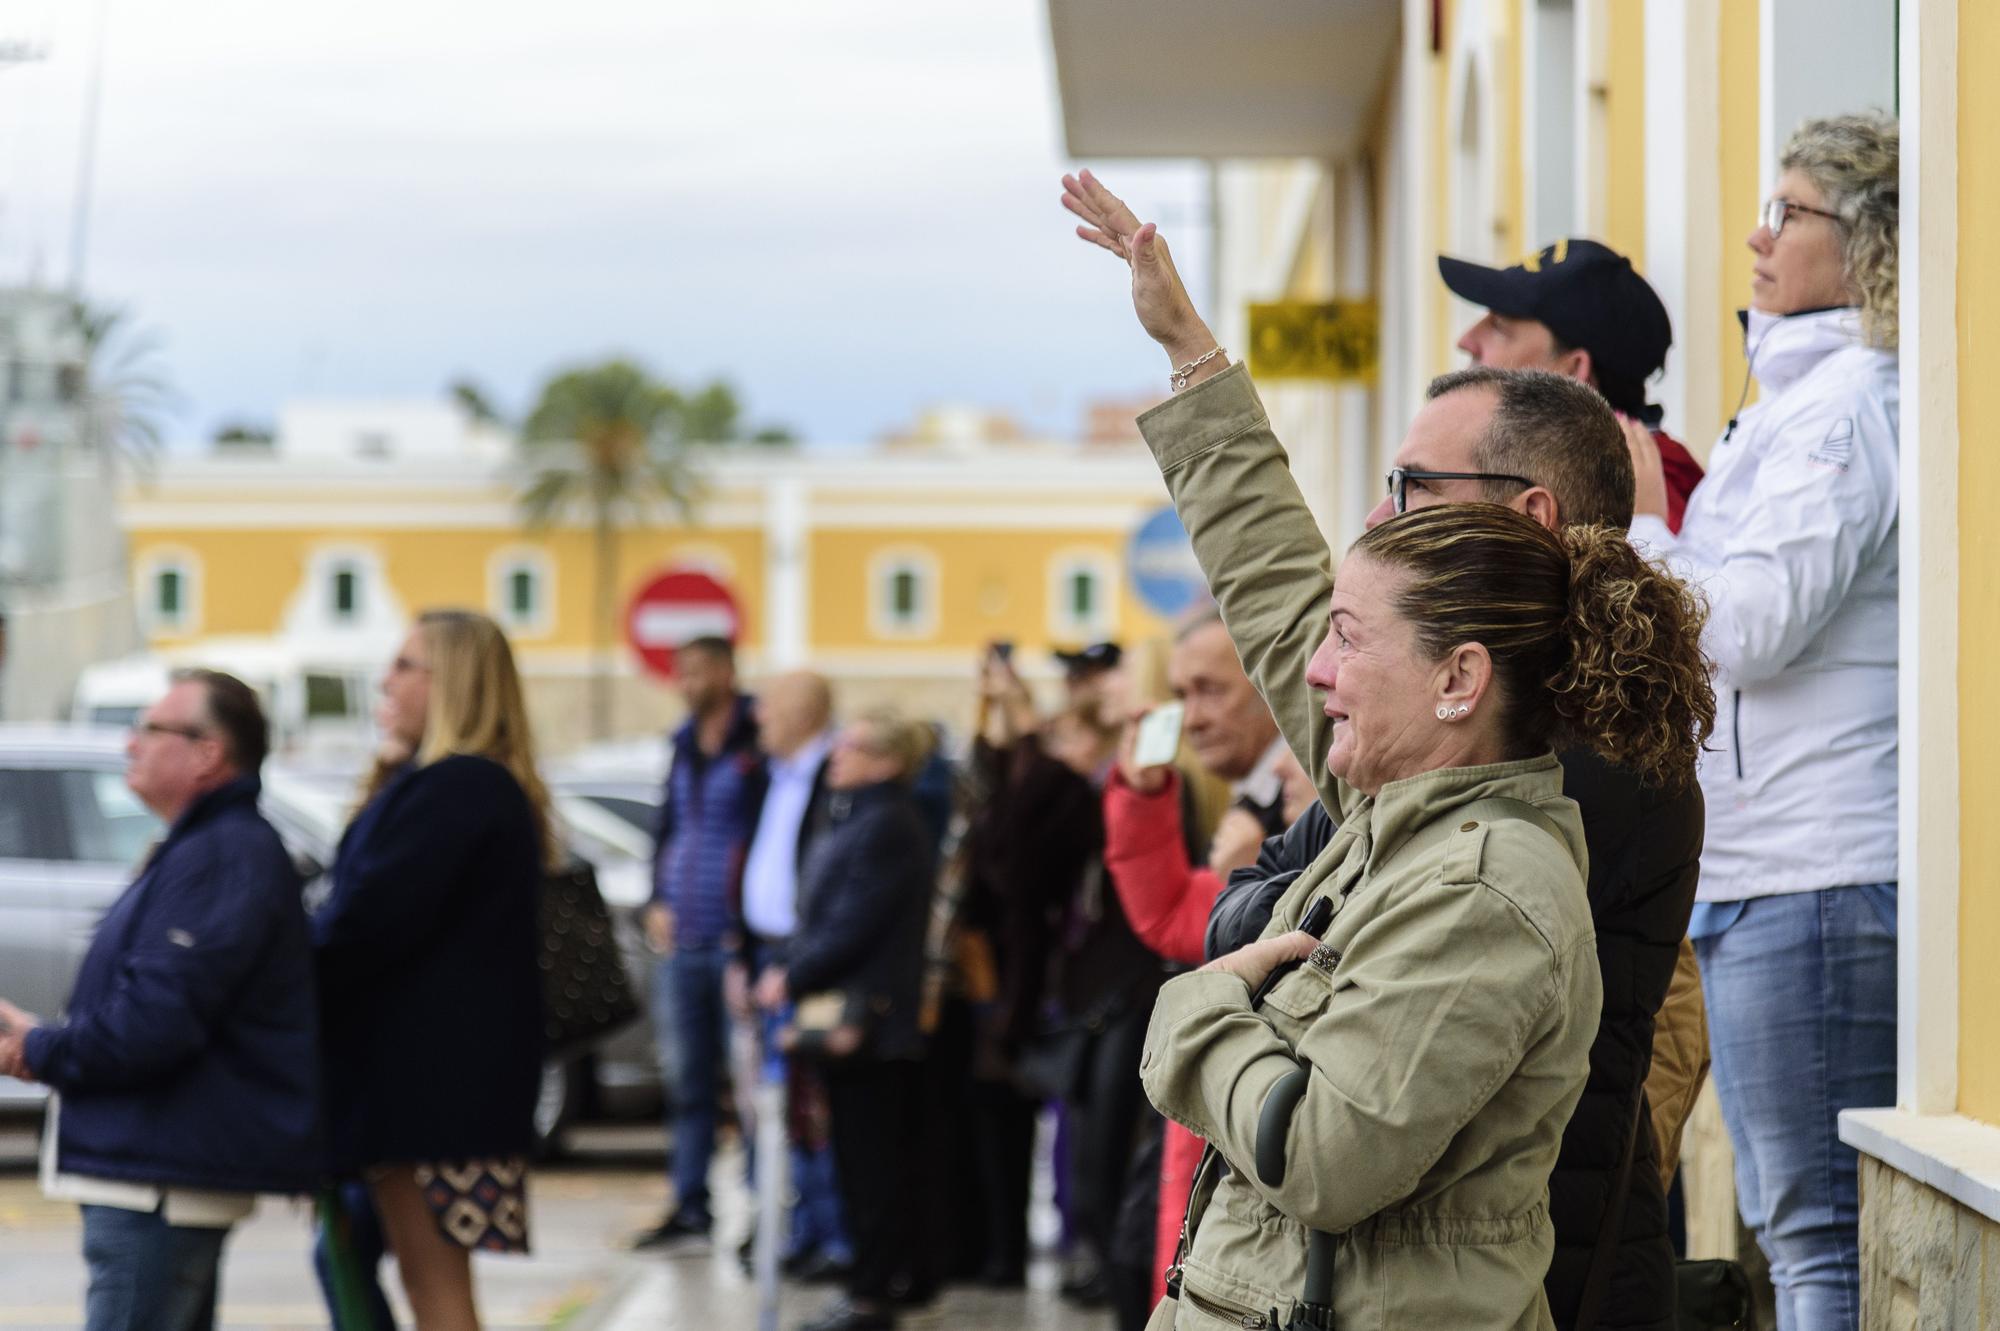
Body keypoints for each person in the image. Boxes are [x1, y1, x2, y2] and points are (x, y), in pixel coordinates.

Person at [1064, 169, 1713, 1328]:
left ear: (1522, 522)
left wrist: (1206, 996)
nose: (1379, 514)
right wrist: (1192, 359)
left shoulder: (1558, 767)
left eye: (1410, 486)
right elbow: (1280, 616)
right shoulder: (1466, 727)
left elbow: (1325, 1132)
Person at [1623, 112, 1901, 1331]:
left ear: (1866, 243)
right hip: (1777, 868)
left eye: (1789, 211)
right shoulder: (1804, 400)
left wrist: (1641, 526)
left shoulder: (1841, 410)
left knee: (1816, 1239)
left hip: (1817, 868)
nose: (1755, 232)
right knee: (1805, 1233)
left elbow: (1748, 625)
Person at [0, 671, 318, 1331]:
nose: (130, 743)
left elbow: (154, 1022)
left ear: (207, 752)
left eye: (151, 728)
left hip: (159, 1182)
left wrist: (42, 1046)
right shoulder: (206, 848)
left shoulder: (223, 854)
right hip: (157, 1171)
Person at [311, 609, 551, 1331]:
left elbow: (365, 922)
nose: (387, 679)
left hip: (429, 1094)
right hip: (434, 1088)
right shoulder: (455, 784)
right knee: (387, 1268)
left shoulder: (459, 788)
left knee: (435, 1288)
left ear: (454, 681)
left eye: (407, 664)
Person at [762, 708, 940, 1331]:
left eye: (854, 746)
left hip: (869, 1020)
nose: (837, 753)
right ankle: (895, 1277)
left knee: (871, 1163)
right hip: (862, 1015)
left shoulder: (885, 823)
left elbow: (851, 923)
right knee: (874, 1156)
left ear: (888, 761)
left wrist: (792, 972)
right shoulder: (864, 816)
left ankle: (871, 1295)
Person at [635, 636, 767, 1249]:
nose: (685, 683)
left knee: (749, 1087)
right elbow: (668, 829)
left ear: (726, 671)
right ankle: (692, 1204)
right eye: (679, 672)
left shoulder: (756, 743)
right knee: (688, 1080)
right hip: (683, 939)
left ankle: (764, 1210)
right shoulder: (683, 746)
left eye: (696, 671)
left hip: (737, 941)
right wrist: (653, 898)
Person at [1443, 237, 1706, 530]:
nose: (1466, 340)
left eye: (1500, 328)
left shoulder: (1643, 494)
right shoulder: (1548, 468)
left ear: (1572, 371)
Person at [737, 671, 851, 1281]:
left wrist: (793, 962)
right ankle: (797, 1230)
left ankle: (830, 1237)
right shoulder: (772, 775)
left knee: (812, 1109)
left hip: (805, 961)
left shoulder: (832, 774)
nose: (758, 716)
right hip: (767, 956)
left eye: (770, 706)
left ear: (803, 712)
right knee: (773, 1106)